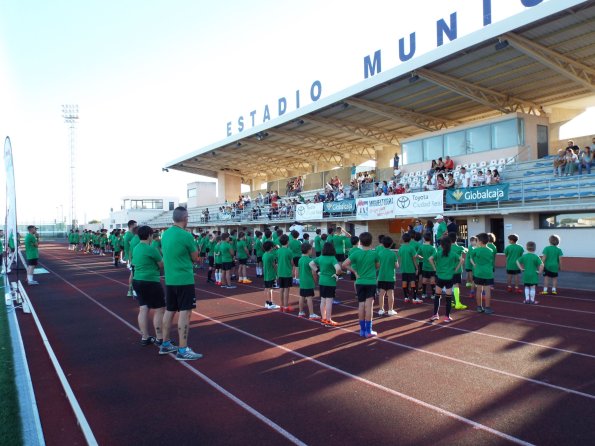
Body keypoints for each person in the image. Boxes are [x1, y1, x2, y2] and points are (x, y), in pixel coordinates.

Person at [159, 207, 202, 360]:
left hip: (170, 278)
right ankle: (183, 349)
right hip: (184, 279)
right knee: (185, 312)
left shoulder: (165, 234)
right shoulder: (186, 236)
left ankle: (165, 343)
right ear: (185, 218)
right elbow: (195, 257)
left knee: (170, 310)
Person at [131, 226, 166, 346]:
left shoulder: (136, 248)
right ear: (150, 235)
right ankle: (160, 337)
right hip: (150, 281)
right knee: (159, 309)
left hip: (137, 280)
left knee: (143, 308)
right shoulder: (151, 249)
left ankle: (145, 337)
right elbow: (161, 265)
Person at [342, 232, 379, 337]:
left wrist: (355, 272)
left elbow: (344, 264)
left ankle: (362, 330)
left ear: (361, 242)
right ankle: (369, 330)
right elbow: (377, 266)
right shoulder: (374, 254)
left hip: (359, 282)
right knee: (369, 306)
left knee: (361, 305)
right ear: (371, 242)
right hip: (370, 282)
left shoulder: (356, 253)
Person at [429, 237, 463, 322]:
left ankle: (435, 314)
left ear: (441, 245)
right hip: (449, 278)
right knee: (448, 298)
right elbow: (462, 260)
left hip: (440, 277)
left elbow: (430, 259)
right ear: (450, 244)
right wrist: (456, 269)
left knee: (437, 296)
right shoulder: (453, 253)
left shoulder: (438, 253)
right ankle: (447, 316)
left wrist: (435, 268)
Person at [311, 242, 342, 327]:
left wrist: (318, 271)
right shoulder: (332, 258)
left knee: (323, 300)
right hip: (330, 282)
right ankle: (328, 320)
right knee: (329, 302)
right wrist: (337, 274)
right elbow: (338, 268)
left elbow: (311, 263)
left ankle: (323, 318)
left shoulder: (320, 257)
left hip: (322, 281)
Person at [469, 233, 495, 314]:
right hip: (488, 273)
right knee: (487, 290)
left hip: (478, 272)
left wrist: (474, 264)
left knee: (479, 290)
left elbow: (471, 258)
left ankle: (479, 307)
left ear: (479, 241)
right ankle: (487, 308)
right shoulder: (491, 250)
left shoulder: (476, 250)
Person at [374, 235, 398, 316]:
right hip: (390, 276)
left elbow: (377, 265)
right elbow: (397, 266)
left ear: (383, 244)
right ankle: (390, 310)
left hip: (381, 276)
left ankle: (381, 309)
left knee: (381, 294)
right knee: (390, 294)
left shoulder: (379, 253)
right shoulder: (393, 254)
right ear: (391, 244)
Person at [297, 243, 320, 320]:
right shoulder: (310, 260)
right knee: (309, 297)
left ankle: (301, 311)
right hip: (309, 281)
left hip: (302, 280)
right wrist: (315, 280)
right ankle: (311, 313)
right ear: (308, 250)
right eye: (311, 249)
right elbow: (314, 272)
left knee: (302, 296)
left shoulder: (300, 259)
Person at [397, 233, 421, 304]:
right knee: (412, 282)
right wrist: (416, 268)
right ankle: (414, 298)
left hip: (404, 268)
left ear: (403, 239)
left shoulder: (401, 248)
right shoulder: (411, 248)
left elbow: (400, 257)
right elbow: (414, 259)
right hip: (411, 268)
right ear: (410, 239)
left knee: (404, 282)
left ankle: (406, 297)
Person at [448, 232, 468, 310]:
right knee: (456, 286)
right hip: (456, 270)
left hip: (447, 270)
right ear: (456, 239)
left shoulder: (445, 248)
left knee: (449, 286)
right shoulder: (460, 248)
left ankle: (450, 302)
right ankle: (457, 303)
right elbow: (467, 250)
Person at [276, 234, 294, 312]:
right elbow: (292, 262)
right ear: (287, 242)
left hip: (280, 272)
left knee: (281, 289)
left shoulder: (278, 251)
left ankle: (281, 305)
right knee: (286, 290)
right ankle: (286, 306)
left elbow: (277, 260)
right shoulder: (289, 251)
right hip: (287, 272)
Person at [262, 241, 280, 310]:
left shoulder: (264, 255)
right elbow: (274, 265)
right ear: (271, 247)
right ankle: (270, 303)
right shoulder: (271, 256)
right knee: (270, 289)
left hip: (266, 274)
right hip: (271, 274)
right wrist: (277, 273)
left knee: (268, 288)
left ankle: (267, 302)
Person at [417, 233, 436, 299]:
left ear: (424, 239)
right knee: (432, 281)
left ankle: (424, 293)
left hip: (424, 267)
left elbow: (417, 255)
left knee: (424, 281)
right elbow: (435, 257)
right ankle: (433, 294)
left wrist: (422, 258)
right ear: (430, 239)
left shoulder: (421, 247)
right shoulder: (433, 248)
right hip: (432, 267)